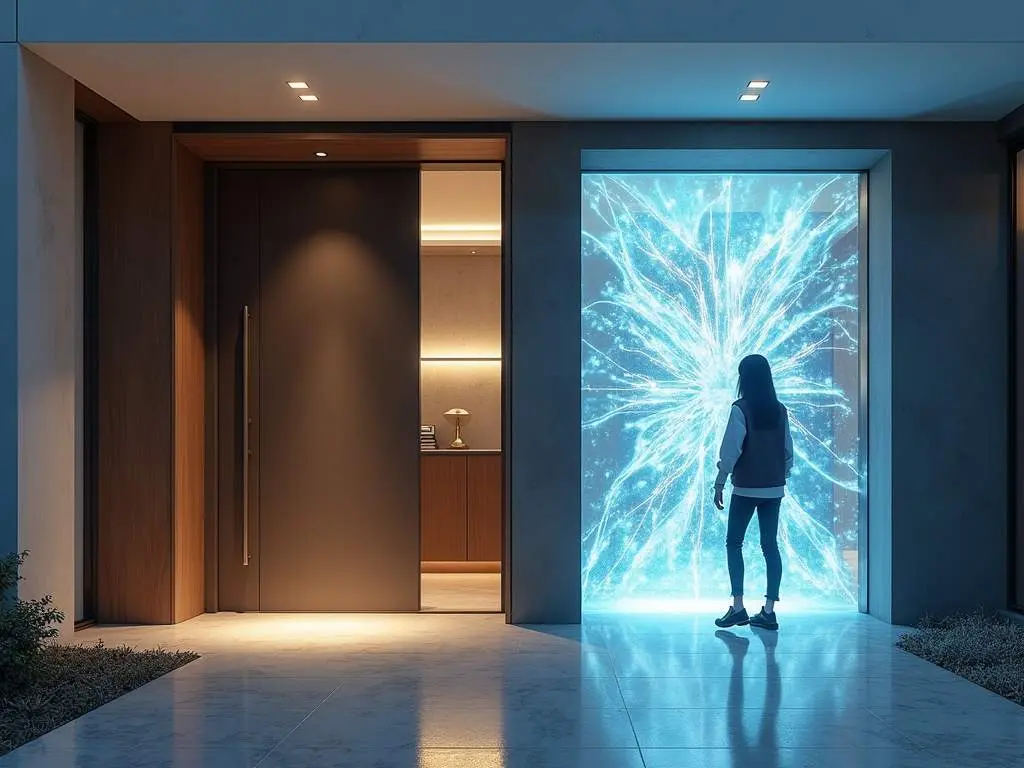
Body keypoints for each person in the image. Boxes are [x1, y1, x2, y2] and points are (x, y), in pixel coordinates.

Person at [712, 354, 793, 631]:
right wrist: (779, 476)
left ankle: (737, 607)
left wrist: (720, 481)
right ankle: (769, 612)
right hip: (774, 488)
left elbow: (731, 451)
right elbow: (787, 452)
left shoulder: (740, 409)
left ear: (743, 378)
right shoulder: (780, 410)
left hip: (746, 487)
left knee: (734, 543)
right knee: (770, 546)